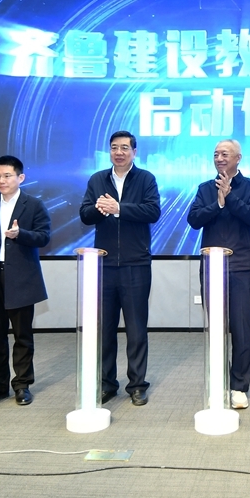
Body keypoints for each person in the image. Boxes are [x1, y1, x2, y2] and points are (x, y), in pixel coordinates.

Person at [79, 131, 161, 407]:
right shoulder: (97, 180)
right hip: (103, 265)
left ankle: (137, 385)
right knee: (105, 329)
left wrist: (119, 209)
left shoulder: (146, 179)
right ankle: (107, 383)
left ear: (134, 152)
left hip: (136, 264)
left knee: (136, 329)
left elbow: (153, 212)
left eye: (125, 148)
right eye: (114, 147)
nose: (119, 152)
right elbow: (85, 215)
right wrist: (99, 209)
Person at [0, 156, 51, 407]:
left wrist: (20, 234)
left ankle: (22, 385)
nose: (1, 180)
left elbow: (44, 237)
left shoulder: (34, 205)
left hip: (21, 278)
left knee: (22, 336)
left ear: (20, 178)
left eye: (7, 175)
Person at [187, 139, 250, 409]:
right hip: (212, 266)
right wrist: (217, 204)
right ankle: (218, 384)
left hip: (241, 266)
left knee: (241, 328)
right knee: (216, 328)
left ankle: (239, 387)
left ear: (238, 158)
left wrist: (229, 197)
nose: (219, 158)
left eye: (225, 154)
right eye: (216, 154)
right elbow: (194, 220)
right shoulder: (205, 188)